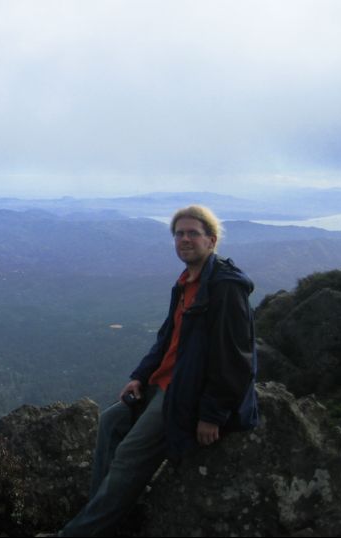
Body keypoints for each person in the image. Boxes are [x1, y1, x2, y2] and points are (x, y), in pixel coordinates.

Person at [60, 205, 258, 537]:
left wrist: (213, 413)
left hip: (185, 394)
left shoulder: (224, 287)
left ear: (211, 240)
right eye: (179, 234)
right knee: (110, 423)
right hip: (166, 382)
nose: (184, 239)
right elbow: (168, 339)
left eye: (193, 233)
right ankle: (101, 517)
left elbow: (236, 358)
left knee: (128, 456)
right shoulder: (186, 283)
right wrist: (140, 375)